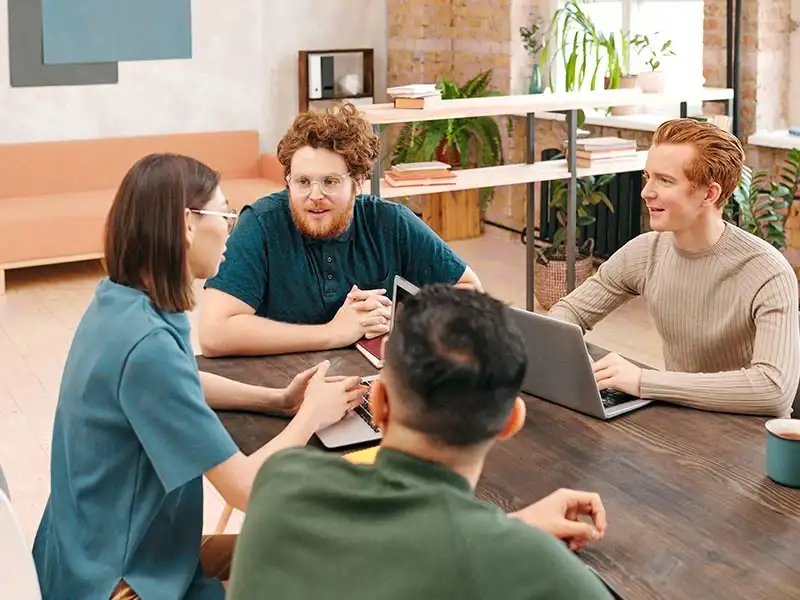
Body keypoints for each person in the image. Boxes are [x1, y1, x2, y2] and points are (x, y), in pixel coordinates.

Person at [32, 154, 366, 600]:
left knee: (307, 552)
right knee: (327, 564)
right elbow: (248, 490)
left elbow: (181, 379)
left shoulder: (121, 303)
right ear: (187, 224)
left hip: (87, 554)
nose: (230, 228)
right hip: (123, 582)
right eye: (224, 213)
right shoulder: (146, 346)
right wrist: (310, 415)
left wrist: (278, 400)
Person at [226, 285, 615, 600]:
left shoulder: (281, 480)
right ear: (510, 421)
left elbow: (391, 553)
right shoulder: (539, 570)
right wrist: (513, 537)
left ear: (379, 402)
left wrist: (510, 529)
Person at [549, 118, 800, 417]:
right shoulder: (645, 252)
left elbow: (773, 391)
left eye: (665, 180)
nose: (646, 192)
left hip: (750, 435)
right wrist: (573, 359)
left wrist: (643, 380)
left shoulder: (767, 272)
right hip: (681, 417)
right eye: (648, 177)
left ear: (710, 194)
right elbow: (568, 313)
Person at [199, 103, 482, 357]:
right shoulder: (260, 223)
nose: (315, 195)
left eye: (331, 181)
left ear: (358, 182)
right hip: (281, 383)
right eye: (302, 182)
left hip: (368, 382)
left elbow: (469, 290)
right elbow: (214, 333)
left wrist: (398, 313)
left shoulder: (390, 221)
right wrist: (333, 333)